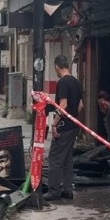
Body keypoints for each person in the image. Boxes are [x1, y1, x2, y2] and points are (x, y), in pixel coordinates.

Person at [44, 55, 84, 201]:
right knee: (67, 159)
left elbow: (63, 105)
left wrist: (54, 124)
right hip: (74, 126)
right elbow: (81, 106)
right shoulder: (77, 82)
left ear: (56, 66)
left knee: (54, 158)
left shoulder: (62, 83)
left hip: (63, 126)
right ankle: (67, 190)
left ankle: (53, 191)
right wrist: (73, 117)